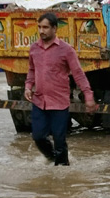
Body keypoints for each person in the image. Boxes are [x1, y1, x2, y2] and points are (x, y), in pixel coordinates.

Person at [23, 11, 97, 166]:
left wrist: (88, 96)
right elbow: (31, 69)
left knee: (59, 139)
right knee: (38, 136)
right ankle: (51, 158)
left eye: (45, 27)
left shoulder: (66, 49)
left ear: (55, 29)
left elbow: (78, 73)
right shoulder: (34, 48)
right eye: (39, 27)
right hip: (39, 100)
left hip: (59, 102)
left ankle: (62, 173)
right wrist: (28, 86)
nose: (42, 31)